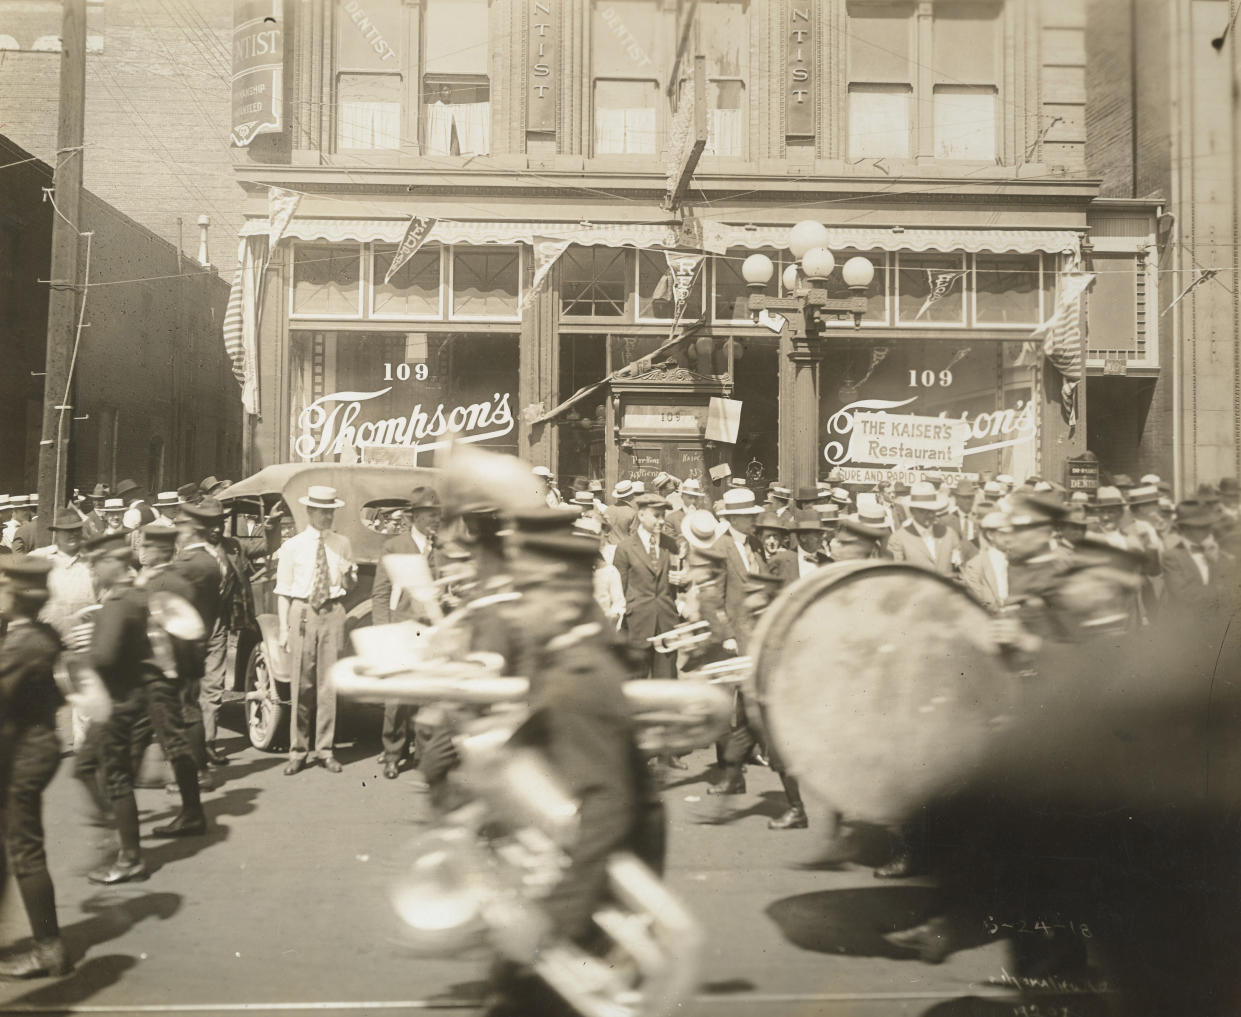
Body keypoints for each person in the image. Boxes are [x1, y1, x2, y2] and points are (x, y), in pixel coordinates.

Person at [483, 512, 663, 1017]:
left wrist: (552, 923)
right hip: (576, 891)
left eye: (526, 594)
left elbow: (608, 811)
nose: (515, 611)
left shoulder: (579, 676)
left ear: (563, 596)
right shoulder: (565, 656)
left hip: (585, 903)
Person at [87, 526, 207, 886]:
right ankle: (189, 810)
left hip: (154, 679)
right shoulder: (175, 580)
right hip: (170, 674)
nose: (142, 552)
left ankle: (187, 813)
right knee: (170, 743)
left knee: (169, 744)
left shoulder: (155, 585)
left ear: (159, 549)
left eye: (147, 547)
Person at [0, 556, 72, 979]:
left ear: (16, 595)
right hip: (32, 748)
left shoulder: (22, 644)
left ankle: (49, 951)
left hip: (20, 757)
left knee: (25, 851)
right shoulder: (43, 634)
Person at [276, 486, 356, 775]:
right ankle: (298, 751)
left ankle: (325, 750)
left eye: (331, 511)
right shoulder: (292, 546)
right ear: (309, 512)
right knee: (302, 684)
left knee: (328, 685)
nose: (327, 516)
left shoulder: (342, 544)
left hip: (333, 612)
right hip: (303, 613)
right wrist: (285, 630)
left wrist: (349, 575)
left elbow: (348, 588)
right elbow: (283, 591)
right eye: (322, 511)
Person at [371, 486, 441, 780]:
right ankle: (392, 754)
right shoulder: (395, 546)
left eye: (437, 514)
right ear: (414, 517)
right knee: (397, 698)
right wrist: (383, 630)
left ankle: (424, 755)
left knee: (428, 697)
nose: (434, 520)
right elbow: (380, 593)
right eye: (428, 515)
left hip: (432, 631)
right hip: (400, 627)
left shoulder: (442, 549)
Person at [173, 499, 229, 769]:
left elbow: (263, 546)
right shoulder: (186, 554)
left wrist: (271, 526)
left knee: (213, 687)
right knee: (189, 690)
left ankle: (208, 743)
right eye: (210, 524)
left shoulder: (232, 548)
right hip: (193, 628)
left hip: (218, 624)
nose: (216, 529)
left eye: (219, 523)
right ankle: (191, 747)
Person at [612, 494, 682, 680]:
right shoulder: (625, 548)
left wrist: (681, 579)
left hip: (666, 626)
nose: (661, 521)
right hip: (636, 627)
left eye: (662, 516)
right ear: (642, 515)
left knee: (666, 685)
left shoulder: (671, 545)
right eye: (656, 515)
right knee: (636, 686)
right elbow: (620, 589)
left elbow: (676, 586)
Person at [889, 482, 962, 576]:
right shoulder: (898, 538)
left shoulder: (949, 534)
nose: (929, 515)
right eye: (923, 511)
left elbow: (959, 569)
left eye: (932, 510)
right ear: (912, 511)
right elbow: (896, 576)